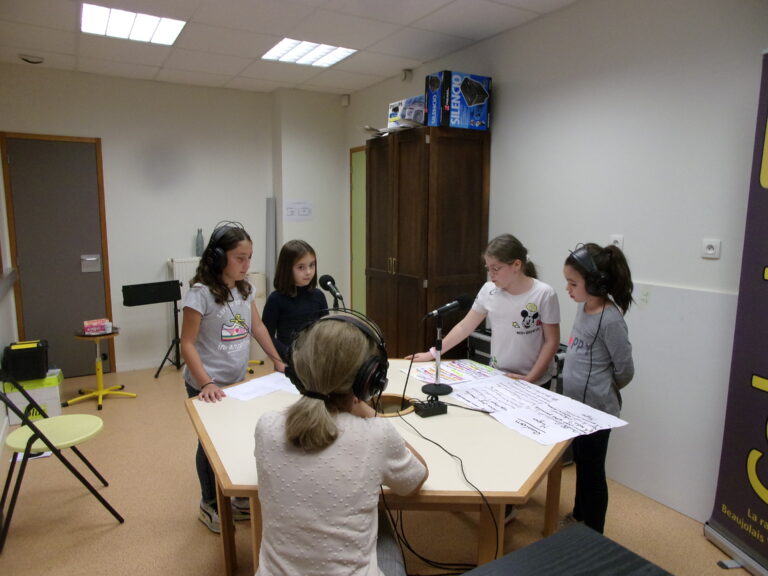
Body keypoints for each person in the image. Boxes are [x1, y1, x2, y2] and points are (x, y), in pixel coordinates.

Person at [254, 315, 429, 576]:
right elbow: (415, 480)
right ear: (369, 380)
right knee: (381, 524)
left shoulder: (267, 426)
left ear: (299, 372)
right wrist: (366, 410)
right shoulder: (376, 434)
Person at [180, 221, 285, 534]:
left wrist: (277, 360)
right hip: (205, 383)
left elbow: (258, 327)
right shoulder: (200, 294)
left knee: (235, 436)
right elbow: (187, 344)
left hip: (236, 382)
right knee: (209, 444)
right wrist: (206, 382)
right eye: (240, 258)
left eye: (249, 257)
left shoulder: (244, 288)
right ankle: (209, 503)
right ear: (218, 257)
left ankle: (236, 496)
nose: (246, 264)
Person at [409, 234, 561, 386]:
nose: (491, 274)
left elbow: (552, 341)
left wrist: (530, 378)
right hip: (499, 374)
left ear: (516, 265)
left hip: (535, 379)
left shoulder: (544, 294)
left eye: (496, 268)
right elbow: (464, 327)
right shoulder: (489, 290)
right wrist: (433, 353)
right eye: (488, 268)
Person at [562, 242, 635, 534]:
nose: (567, 289)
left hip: (597, 410)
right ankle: (579, 515)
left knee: (593, 472)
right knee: (582, 463)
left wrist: (601, 389)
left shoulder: (611, 319)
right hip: (576, 406)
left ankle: (593, 533)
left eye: (573, 283)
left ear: (595, 283)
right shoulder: (584, 307)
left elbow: (625, 370)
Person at [261, 239, 328, 361]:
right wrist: (289, 354)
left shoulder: (319, 296)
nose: (308, 272)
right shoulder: (275, 299)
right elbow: (266, 336)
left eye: (312, 265)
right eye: (301, 267)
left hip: (314, 359)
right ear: (287, 269)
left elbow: (325, 329)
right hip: (288, 360)